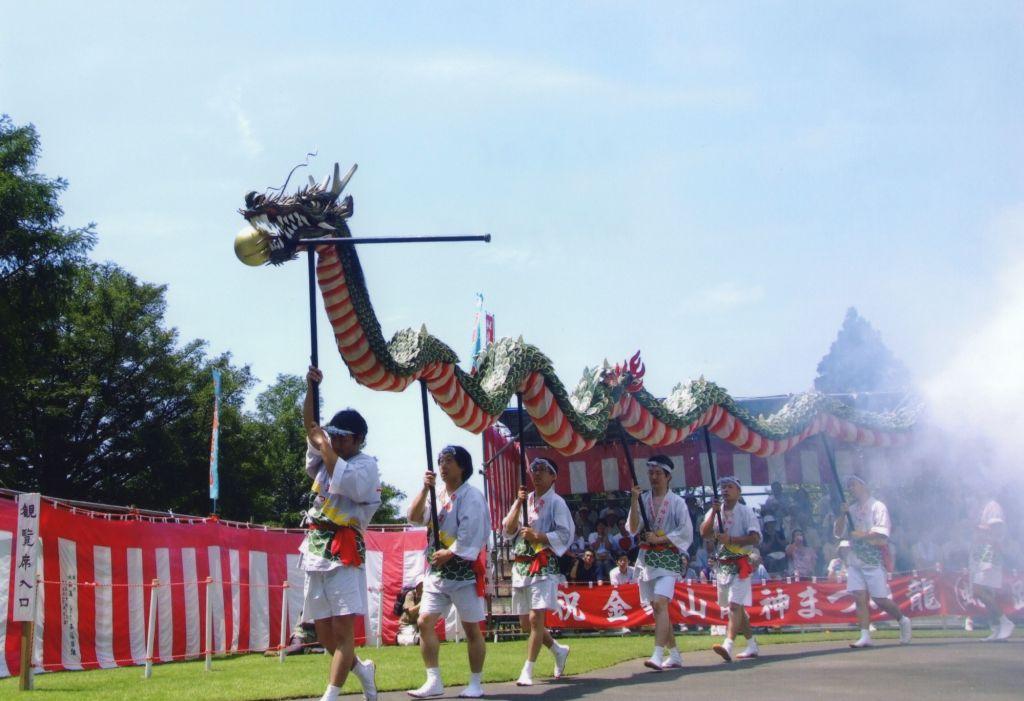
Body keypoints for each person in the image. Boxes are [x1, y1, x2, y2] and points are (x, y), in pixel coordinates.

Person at [300, 367, 381, 701]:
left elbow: (343, 477)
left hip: (344, 549)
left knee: (343, 631)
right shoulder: (325, 457)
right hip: (317, 547)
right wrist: (310, 389)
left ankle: (330, 695)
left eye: (342, 437)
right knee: (322, 631)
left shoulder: (366, 465)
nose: (334, 441)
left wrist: (325, 445)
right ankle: (362, 670)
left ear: (358, 440)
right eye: (333, 435)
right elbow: (310, 427)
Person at [407, 446, 490, 698]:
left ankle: (475, 682)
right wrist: (424, 488)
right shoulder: (436, 494)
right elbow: (413, 517)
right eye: (441, 461)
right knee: (424, 622)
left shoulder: (472, 496)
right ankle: (433, 680)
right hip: (436, 573)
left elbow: (472, 533)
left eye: (449, 461)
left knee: (472, 628)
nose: (443, 465)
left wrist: (451, 553)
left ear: (462, 466)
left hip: (463, 574)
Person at [503, 457, 574, 686]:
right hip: (522, 564)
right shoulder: (527, 500)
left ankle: (528, 669)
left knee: (536, 618)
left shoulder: (557, 502)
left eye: (544, 470)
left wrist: (540, 536)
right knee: (526, 623)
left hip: (542, 563)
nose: (537, 474)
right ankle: (557, 649)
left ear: (553, 476)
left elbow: (565, 534)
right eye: (534, 470)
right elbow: (508, 529)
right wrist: (517, 502)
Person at [627, 455, 693, 671]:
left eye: (658, 473)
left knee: (659, 604)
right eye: (651, 473)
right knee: (658, 608)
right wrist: (634, 501)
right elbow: (633, 527)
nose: (653, 477)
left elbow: (685, 531)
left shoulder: (677, 502)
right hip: (648, 559)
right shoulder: (644, 499)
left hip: (668, 558)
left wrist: (660, 539)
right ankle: (674, 654)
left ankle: (657, 654)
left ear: (668, 476)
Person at [834, 475, 912, 648]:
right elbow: (839, 533)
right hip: (855, 560)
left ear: (863, 485)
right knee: (859, 597)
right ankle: (865, 634)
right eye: (849, 486)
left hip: (874, 560)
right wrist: (842, 514)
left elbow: (883, 534)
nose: (850, 488)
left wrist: (862, 535)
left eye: (853, 484)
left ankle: (902, 620)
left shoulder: (878, 506)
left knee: (879, 599)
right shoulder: (851, 509)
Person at [701, 476, 761, 662]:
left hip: (741, 562)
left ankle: (728, 643)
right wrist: (713, 513)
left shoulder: (746, 511)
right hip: (723, 565)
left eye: (729, 487)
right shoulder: (715, 511)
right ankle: (751, 644)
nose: (725, 490)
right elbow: (704, 533)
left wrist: (732, 540)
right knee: (737, 607)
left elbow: (755, 537)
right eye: (723, 487)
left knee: (734, 605)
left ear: (738, 491)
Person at [970, 496, 1015, 641]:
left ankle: (1004, 621)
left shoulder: (993, 506)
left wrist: (979, 529)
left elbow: (997, 528)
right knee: (984, 592)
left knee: (978, 590)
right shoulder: (983, 506)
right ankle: (996, 627)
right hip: (984, 554)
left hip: (990, 555)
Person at [396, 578, 423, 646]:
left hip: (418, 625)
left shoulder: (426, 595)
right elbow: (411, 611)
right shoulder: (410, 595)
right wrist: (422, 603)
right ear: (418, 586)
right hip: (407, 624)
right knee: (412, 641)